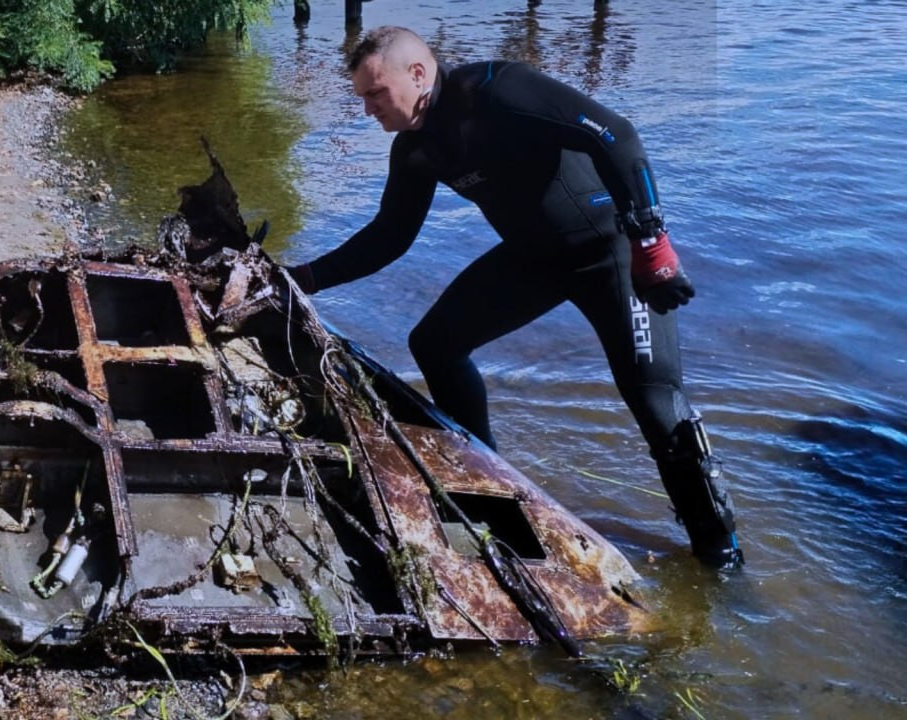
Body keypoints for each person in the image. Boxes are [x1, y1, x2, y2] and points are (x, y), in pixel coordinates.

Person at [285, 26, 742, 568]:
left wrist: (650, 240)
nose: (368, 110)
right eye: (362, 97)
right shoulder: (417, 149)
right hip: (535, 259)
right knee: (436, 343)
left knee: (653, 399)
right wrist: (301, 279)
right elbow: (389, 237)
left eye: (375, 94)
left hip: (612, 256)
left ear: (417, 73)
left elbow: (617, 134)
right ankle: (492, 489)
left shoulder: (500, 90)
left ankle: (720, 557)